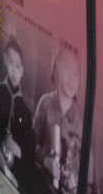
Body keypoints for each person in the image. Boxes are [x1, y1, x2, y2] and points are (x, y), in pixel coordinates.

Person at [33, 47, 83, 194]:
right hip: (40, 185)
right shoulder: (45, 103)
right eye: (66, 68)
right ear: (57, 69)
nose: (71, 78)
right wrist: (45, 160)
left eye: (76, 73)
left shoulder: (81, 122)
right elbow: (32, 140)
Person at [0, 36, 35, 189]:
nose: (14, 70)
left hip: (16, 176)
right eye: (10, 62)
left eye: (18, 66)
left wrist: (18, 151)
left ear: (22, 70)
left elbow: (30, 157)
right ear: (4, 60)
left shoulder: (26, 112)